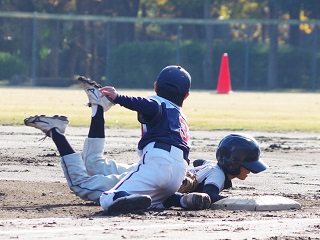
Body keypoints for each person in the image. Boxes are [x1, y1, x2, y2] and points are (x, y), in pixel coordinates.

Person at [24, 65, 211, 212]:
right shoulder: (181, 117)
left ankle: (56, 132)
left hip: (155, 166)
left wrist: (119, 97)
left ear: (155, 86)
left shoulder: (158, 103)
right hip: (174, 173)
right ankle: (97, 107)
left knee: (89, 189)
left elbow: (148, 105)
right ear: (186, 95)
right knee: (94, 164)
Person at [177, 133, 269, 203]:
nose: (250, 171)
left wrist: (202, 171)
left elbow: (198, 162)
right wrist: (231, 200)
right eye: (248, 166)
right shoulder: (218, 175)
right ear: (231, 165)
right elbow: (209, 195)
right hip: (173, 191)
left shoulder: (212, 164)